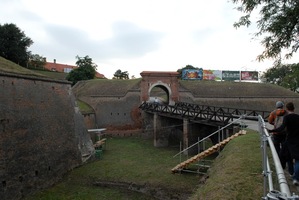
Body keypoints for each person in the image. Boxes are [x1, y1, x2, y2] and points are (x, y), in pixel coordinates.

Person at [268, 102, 299, 186]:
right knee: (297, 159)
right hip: (296, 140)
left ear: (287, 108)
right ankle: (295, 177)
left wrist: (272, 130)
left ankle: (284, 169)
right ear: (294, 108)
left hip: (287, 139)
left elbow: (281, 127)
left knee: (283, 154)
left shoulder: (285, 116)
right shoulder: (297, 117)